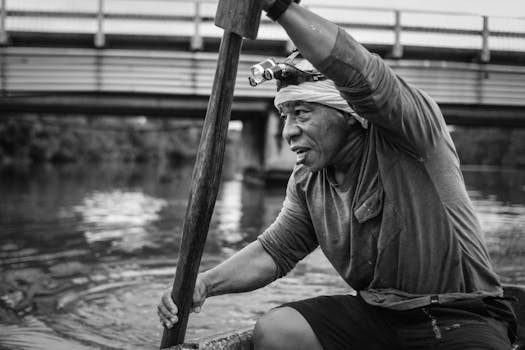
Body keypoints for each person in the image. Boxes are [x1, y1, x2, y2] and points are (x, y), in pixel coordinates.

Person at [158, 1, 517, 349]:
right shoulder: (306, 179)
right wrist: (204, 284)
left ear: (350, 114)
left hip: (460, 313)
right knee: (278, 331)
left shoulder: (410, 134)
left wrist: (277, 5)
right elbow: (275, 251)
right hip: (379, 314)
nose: (288, 132)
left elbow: (364, 75)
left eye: (302, 112)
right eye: (284, 115)